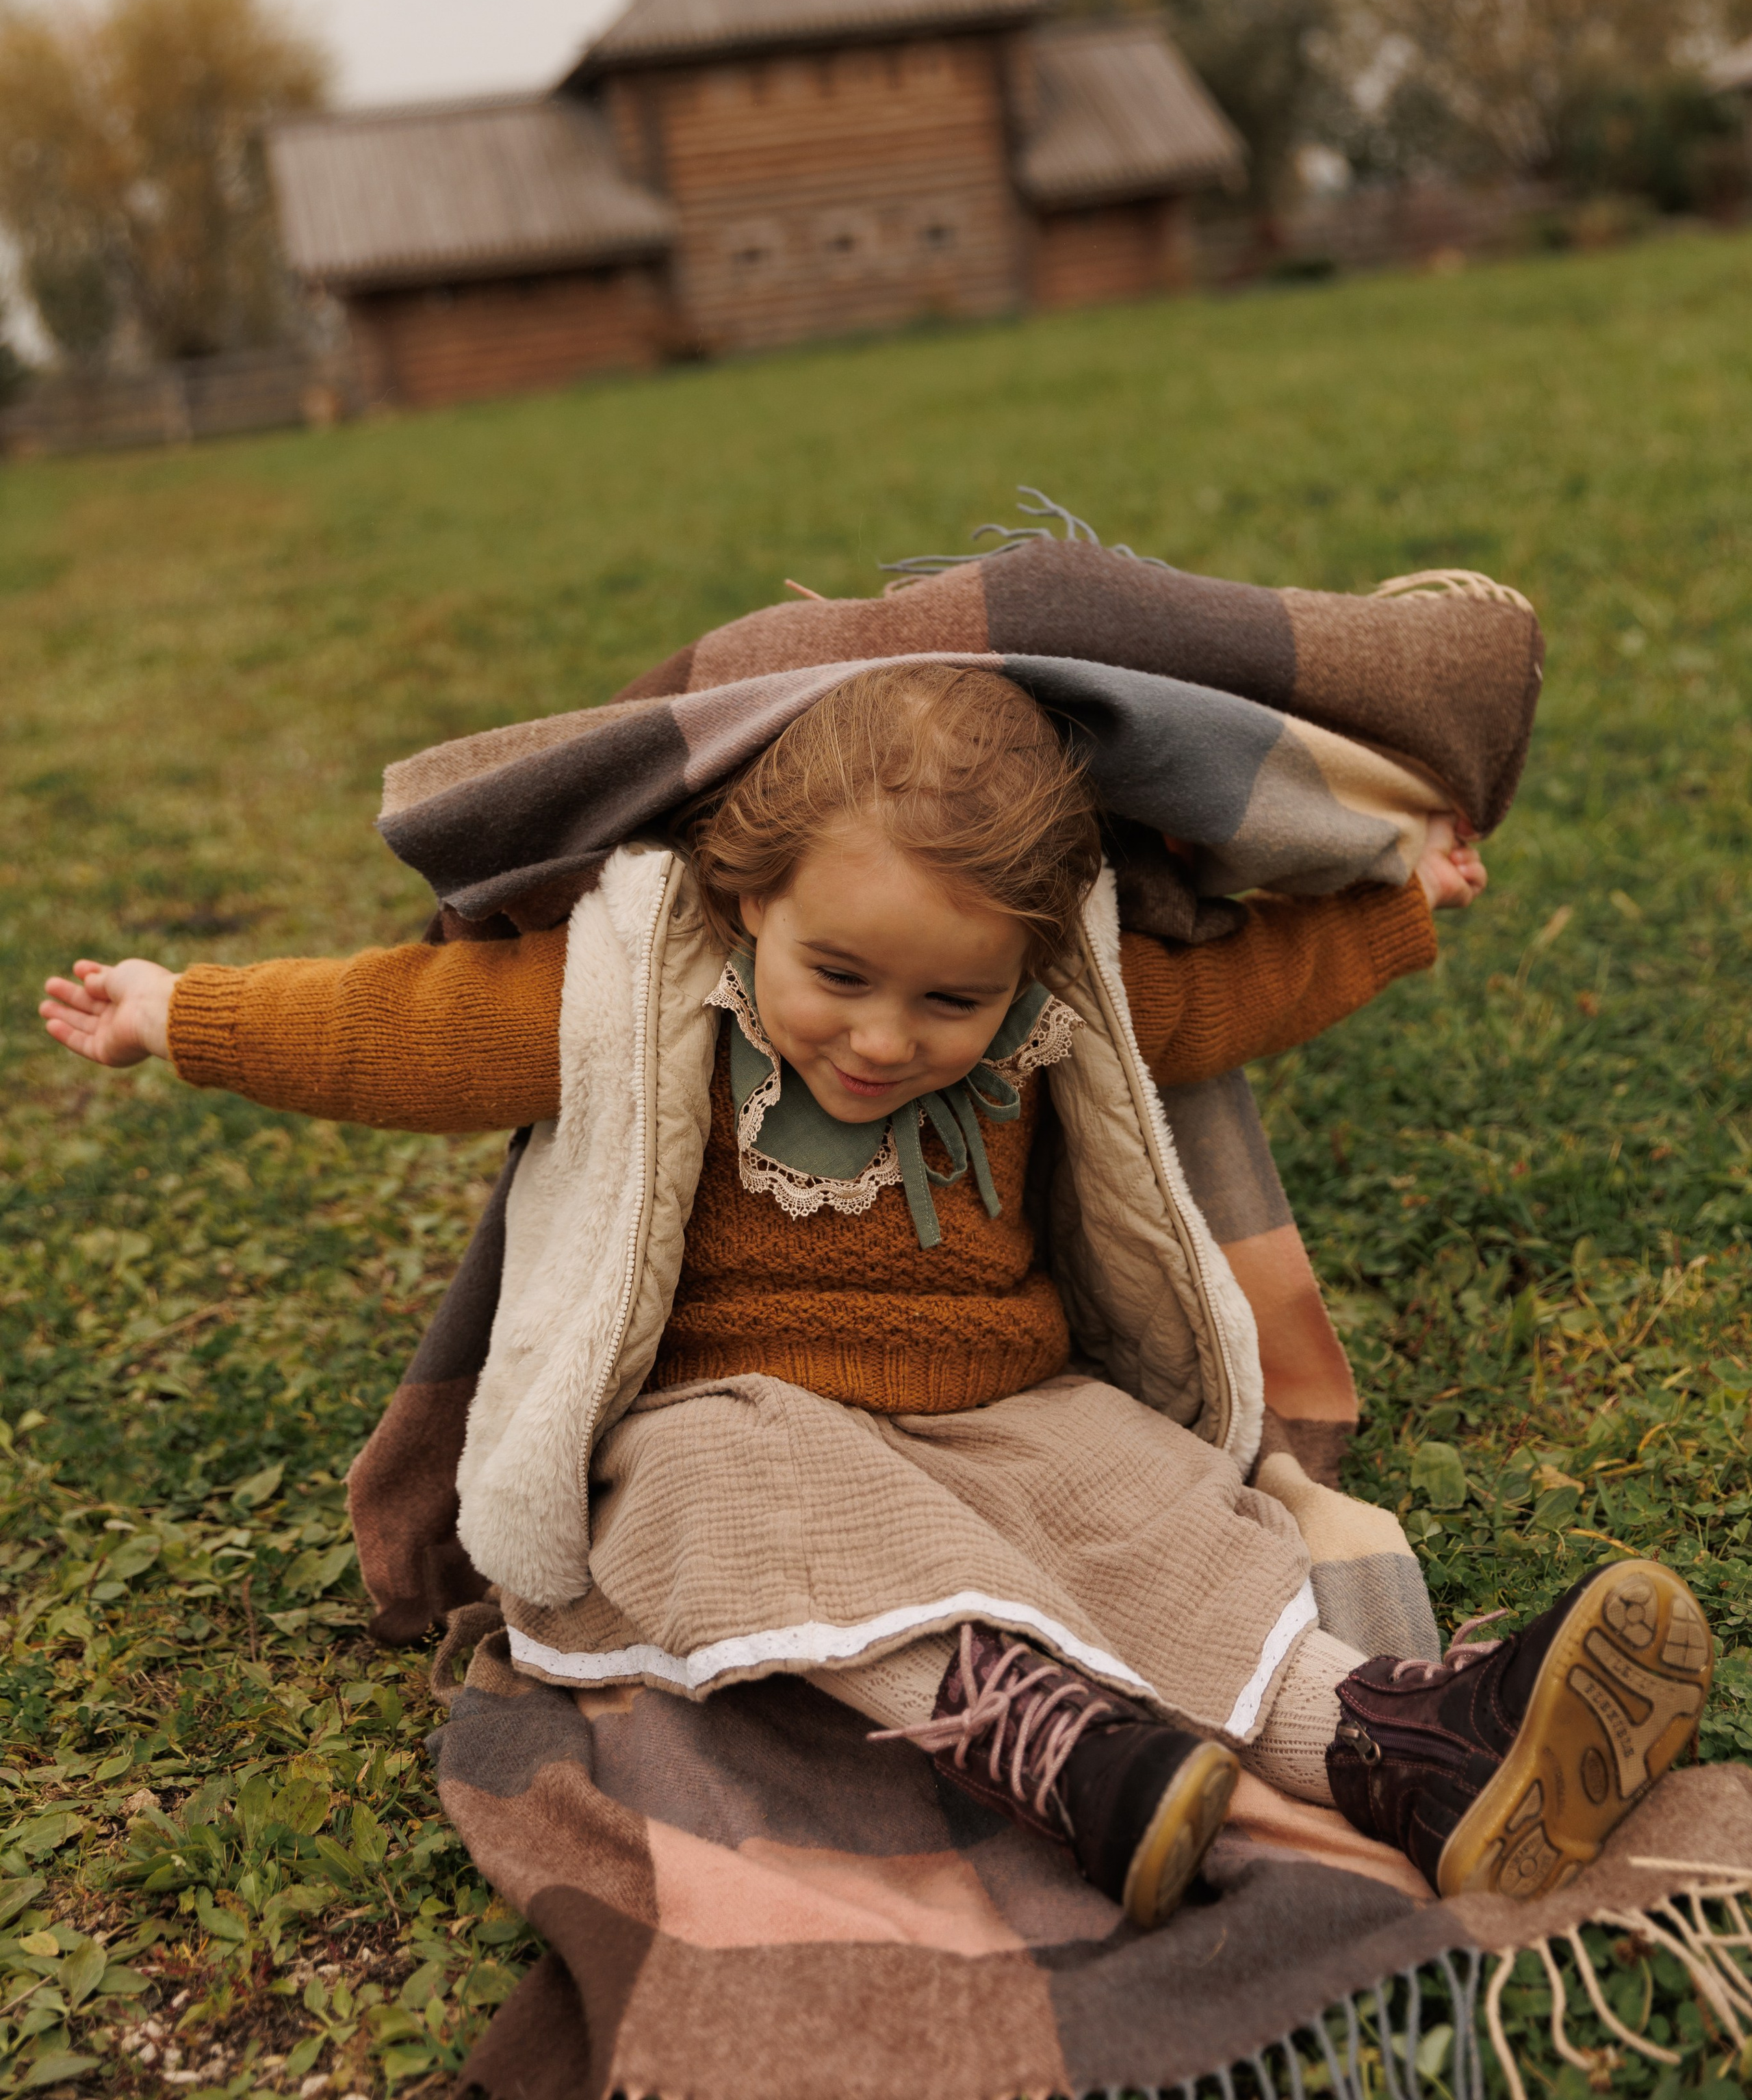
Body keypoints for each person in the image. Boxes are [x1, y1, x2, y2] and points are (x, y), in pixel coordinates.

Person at [40, 664, 1710, 1924]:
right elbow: (398, 1027)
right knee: (717, 1496)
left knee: (1148, 1510)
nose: (884, 1036)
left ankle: (1393, 1747)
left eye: (947, 999)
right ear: (746, 895)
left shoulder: (1060, 1009)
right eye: (837, 974)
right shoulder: (642, 990)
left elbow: (1229, 997)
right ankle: (1064, 1748)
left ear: (1027, 969)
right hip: (735, 1412)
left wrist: (1390, 906)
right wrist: (180, 1013)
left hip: (1002, 1400)